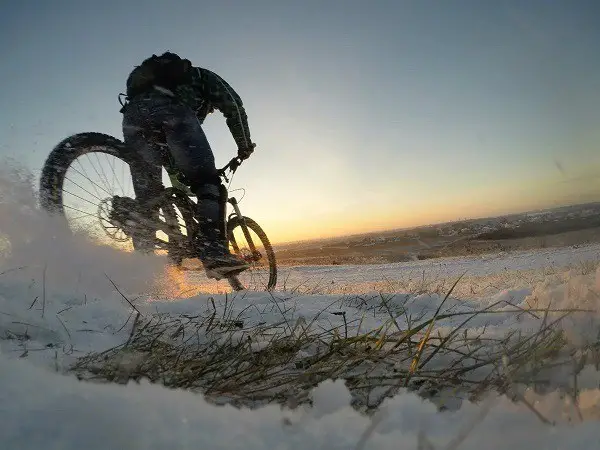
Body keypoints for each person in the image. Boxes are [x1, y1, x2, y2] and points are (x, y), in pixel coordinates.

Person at [119, 52, 255, 280]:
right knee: (208, 182)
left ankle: (141, 272)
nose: (208, 111)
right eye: (209, 109)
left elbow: (173, 158)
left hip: (133, 116)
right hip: (169, 110)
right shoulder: (203, 77)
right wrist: (244, 146)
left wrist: (178, 177)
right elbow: (234, 107)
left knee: (149, 197)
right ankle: (213, 251)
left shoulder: (150, 85)